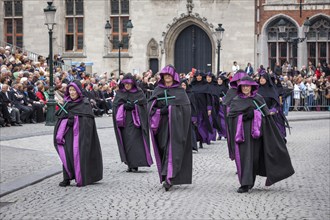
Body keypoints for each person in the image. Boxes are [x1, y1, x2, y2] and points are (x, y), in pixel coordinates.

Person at [227, 76, 294, 193]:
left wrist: (255, 114)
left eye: (247, 86)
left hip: (256, 135)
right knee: (244, 158)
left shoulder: (258, 99)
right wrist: (242, 116)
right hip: (241, 135)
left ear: (252, 87)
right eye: (243, 86)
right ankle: (245, 184)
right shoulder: (236, 100)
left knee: (254, 158)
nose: (245, 88)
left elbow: (266, 117)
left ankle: (250, 181)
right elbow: (231, 118)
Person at [148, 65, 192, 191]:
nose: (167, 77)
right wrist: (159, 111)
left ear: (173, 77)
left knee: (171, 150)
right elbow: (150, 106)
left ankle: (169, 177)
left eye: (169, 75)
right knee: (163, 147)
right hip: (161, 125)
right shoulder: (157, 90)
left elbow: (186, 109)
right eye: (165, 75)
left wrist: (172, 110)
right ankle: (165, 173)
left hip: (176, 126)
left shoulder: (180, 91)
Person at [54, 80, 103, 187]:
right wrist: (67, 120)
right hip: (68, 133)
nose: (72, 92)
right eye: (70, 90)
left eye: (74, 90)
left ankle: (81, 177)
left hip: (80, 135)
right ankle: (66, 178)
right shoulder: (67, 103)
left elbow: (88, 122)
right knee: (67, 153)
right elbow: (60, 119)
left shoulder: (85, 103)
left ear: (78, 91)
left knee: (79, 154)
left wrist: (76, 120)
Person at [112, 73, 153, 172]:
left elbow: (144, 106)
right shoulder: (119, 93)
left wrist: (136, 107)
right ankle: (129, 163)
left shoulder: (139, 93)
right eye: (125, 83)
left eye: (129, 84)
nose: (127, 85)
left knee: (135, 142)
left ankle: (136, 163)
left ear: (133, 84)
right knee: (127, 142)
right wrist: (123, 107)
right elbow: (115, 107)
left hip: (137, 122)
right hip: (124, 122)